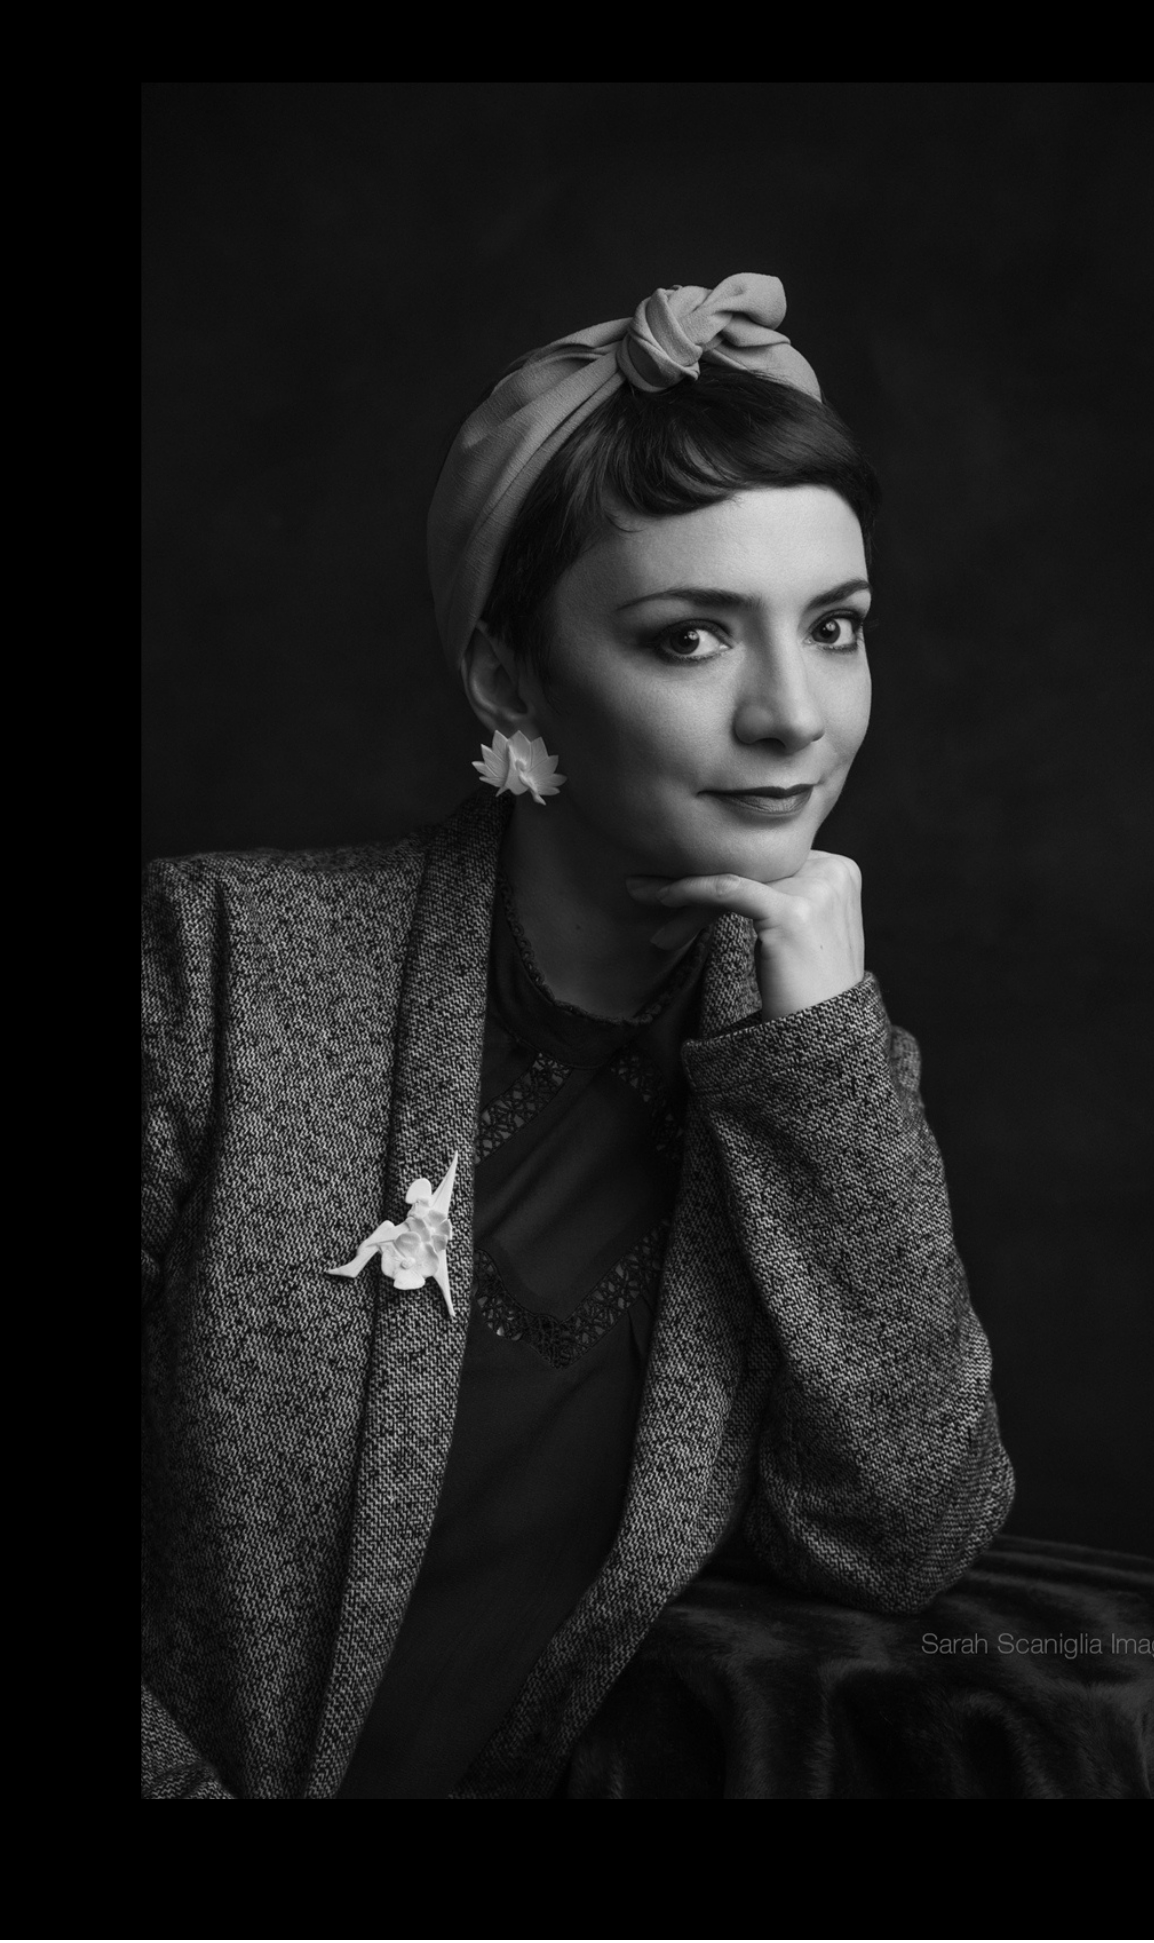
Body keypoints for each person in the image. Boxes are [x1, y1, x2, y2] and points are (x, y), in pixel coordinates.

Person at [142, 273, 1015, 1801]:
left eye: (834, 628)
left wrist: (818, 1058)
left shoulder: (809, 1066)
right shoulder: (215, 968)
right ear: (507, 673)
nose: (793, 717)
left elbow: (896, 1536)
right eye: (690, 639)